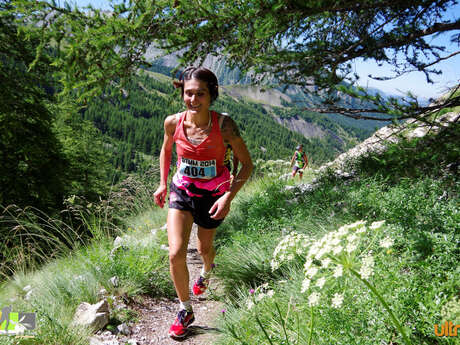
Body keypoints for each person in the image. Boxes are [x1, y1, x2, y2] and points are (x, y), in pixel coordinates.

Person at [153, 67, 253, 338]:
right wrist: (163, 183)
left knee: (204, 247)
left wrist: (227, 198)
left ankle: (207, 271)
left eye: (200, 94)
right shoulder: (173, 123)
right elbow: (166, 150)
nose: (193, 100)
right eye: (188, 93)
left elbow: (246, 165)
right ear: (182, 93)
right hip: (182, 190)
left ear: (212, 96)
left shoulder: (225, 125)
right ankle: (185, 309)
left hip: (214, 196)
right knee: (175, 253)